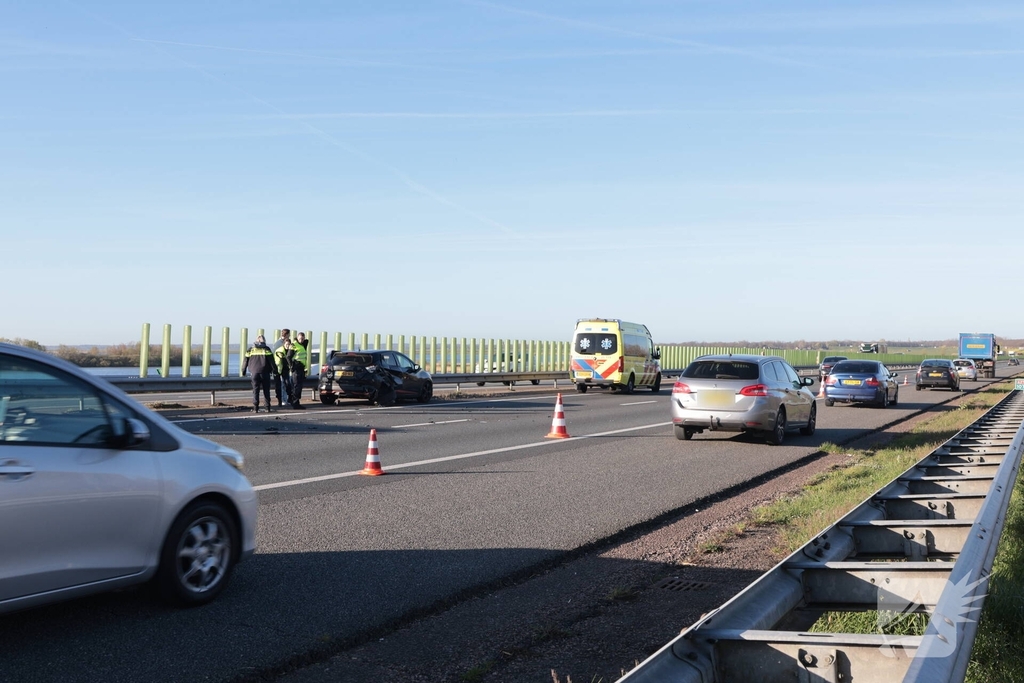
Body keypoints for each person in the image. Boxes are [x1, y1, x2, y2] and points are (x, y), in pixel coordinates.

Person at [242, 335, 276, 413]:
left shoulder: (250, 350)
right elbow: (272, 362)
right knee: (266, 391)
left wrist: (243, 371)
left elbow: (245, 361)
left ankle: (255, 408)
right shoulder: (266, 349)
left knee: (255, 391)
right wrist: (275, 371)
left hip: (254, 373)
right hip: (265, 373)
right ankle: (267, 408)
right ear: (264, 341)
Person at [290, 332, 309, 409]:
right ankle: (295, 403)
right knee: (296, 386)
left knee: (299, 386)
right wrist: (292, 366)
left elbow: (307, 341)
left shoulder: (302, 345)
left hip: (302, 368)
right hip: (296, 368)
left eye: (303, 338)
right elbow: (288, 356)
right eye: (300, 338)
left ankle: (296, 402)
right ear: (297, 338)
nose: (301, 340)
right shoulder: (294, 345)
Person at [273, 328, 292, 407]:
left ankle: (284, 399)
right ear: (287, 334)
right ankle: (283, 400)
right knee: (283, 384)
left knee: (285, 384)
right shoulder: (280, 344)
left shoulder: (278, 343)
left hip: (282, 367)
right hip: (280, 367)